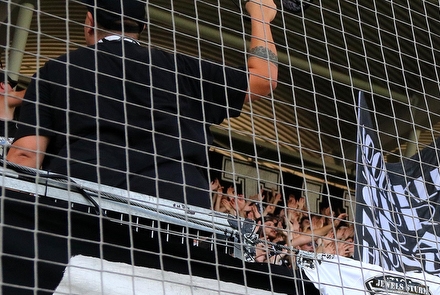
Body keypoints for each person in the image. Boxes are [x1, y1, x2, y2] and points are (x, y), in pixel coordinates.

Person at [6, 0, 279, 209]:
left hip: (83, 205)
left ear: (89, 22)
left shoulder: (57, 70)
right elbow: (264, 77)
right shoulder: (180, 69)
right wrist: (260, 15)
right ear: (142, 29)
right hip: (176, 211)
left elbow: (24, 157)